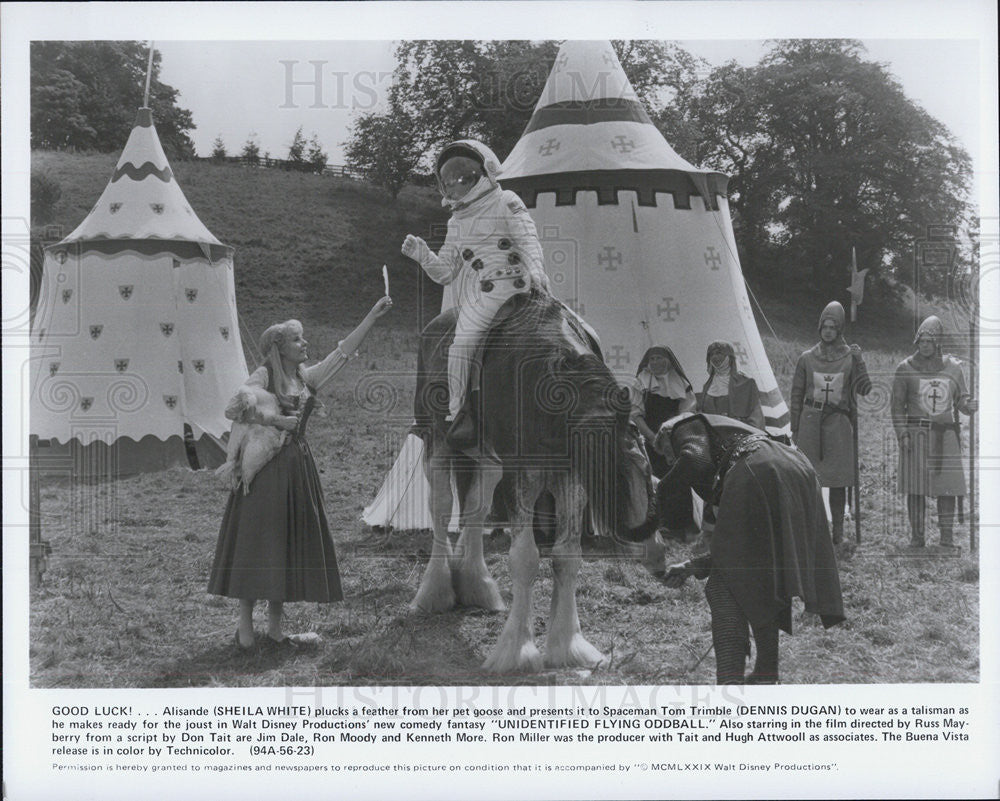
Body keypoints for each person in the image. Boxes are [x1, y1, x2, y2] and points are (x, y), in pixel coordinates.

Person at [208, 296, 393, 651]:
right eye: (297, 339)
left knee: (285, 545)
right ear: (279, 347)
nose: (304, 343)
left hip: (297, 469)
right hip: (264, 471)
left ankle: (275, 630)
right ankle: (245, 628)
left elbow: (341, 355)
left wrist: (371, 315)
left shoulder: (304, 377)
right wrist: (276, 419)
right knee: (256, 542)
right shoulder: (264, 374)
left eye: (303, 338)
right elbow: (237, 406)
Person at [647, 412, 845, 684]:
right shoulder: (723, 452)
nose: (672, 461)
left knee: (722, 587)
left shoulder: (684, 427)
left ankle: (729, 682)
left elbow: (693, 459)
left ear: (670, 439)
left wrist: (659, 497)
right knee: (766, 576)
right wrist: (692, 566)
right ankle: (766, 672)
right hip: (797, 465)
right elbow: (736, 549)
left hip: (759, 467)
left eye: (670, 455)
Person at [401, 139, 549, 447]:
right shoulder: (456, 223)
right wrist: (423, 255)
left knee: (575, 332)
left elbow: (528, 239)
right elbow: (445, 273)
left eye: (464, 177)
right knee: (462, 345)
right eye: (450, 181)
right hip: (487, 295)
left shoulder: (506, 200)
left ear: (484, 172)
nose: (456, 186)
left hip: (524, 285)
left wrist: (535, 270)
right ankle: (459, 415)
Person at [891, 315, 977, 549]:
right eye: (921, 341)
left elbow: (961, 399)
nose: (925, 345)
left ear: (938, 343)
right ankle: (917, 538)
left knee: (947, 487)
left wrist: (968, 405)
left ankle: (946, 539)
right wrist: (903, 434)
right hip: (916, 434)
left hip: (945, 434)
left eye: (930, 341)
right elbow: (897, 407)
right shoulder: (905, 368)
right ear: (917, 342)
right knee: (915, 488)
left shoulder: (953, 368)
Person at [790, 301, 871, 543]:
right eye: (824, 327)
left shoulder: (850, 357)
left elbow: (865, 389)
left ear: (840, 330)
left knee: (838, 482)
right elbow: (796, 395)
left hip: (838, 425)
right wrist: (795, 427)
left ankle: (837, 533)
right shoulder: (807, 358)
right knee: (808, 479)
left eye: (833, 327)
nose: (828, 331)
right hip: (811, 423)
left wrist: (860, 361)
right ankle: (811, 530)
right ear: (819, 328)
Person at [629, 346, 697, 536]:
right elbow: (636, 414)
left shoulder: (681, 383)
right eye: (652, 359)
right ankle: (656, 523)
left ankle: (679, 524)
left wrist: (669, 436)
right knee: (650, 479)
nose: (656, 363)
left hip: (674, 436)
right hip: (649, 437)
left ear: (669, 360)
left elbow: (687, 411)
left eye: (660, 358)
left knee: (677, 476)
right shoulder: (640, 382)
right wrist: (652, 438)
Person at [696, 341, 765, 430]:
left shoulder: (746, 384)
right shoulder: (707, 385)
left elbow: (756, 418)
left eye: (719, 353)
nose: (714, 357)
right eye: (711, 354)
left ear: (729, 357)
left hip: (738, 433)